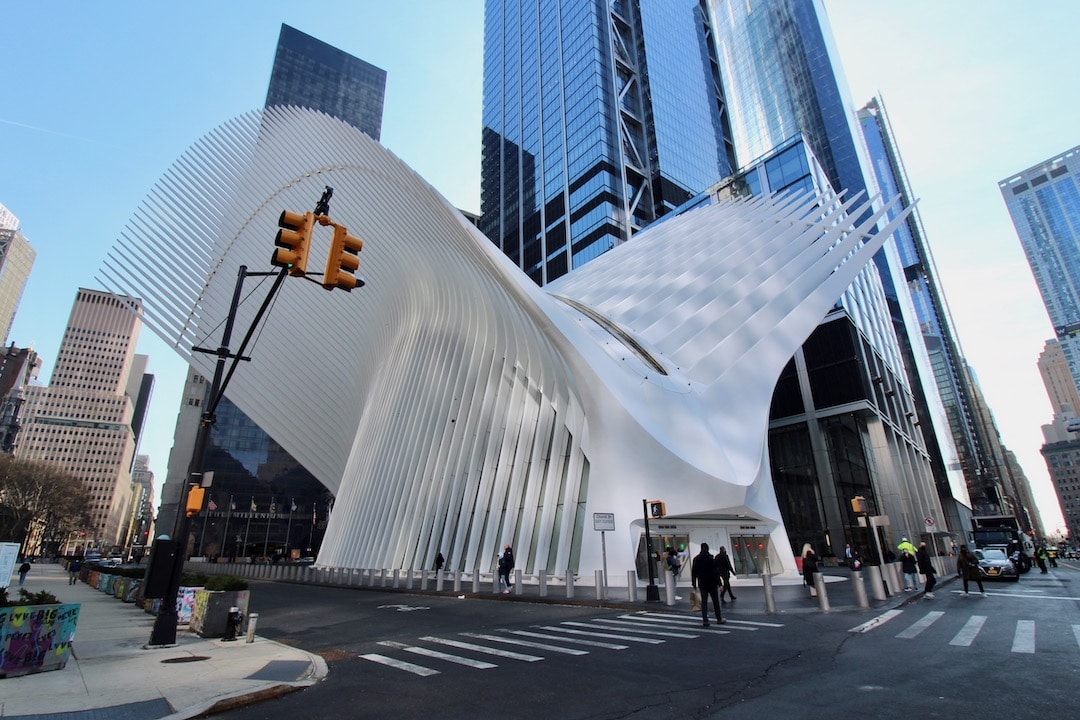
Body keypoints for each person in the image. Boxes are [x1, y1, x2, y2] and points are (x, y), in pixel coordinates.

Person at [691, 542, 725, 626]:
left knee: (704, 602)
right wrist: (720, 584)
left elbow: (694, 572)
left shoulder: (696, 559)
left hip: (702, 582)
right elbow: (715, 572)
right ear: (707, 548)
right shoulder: (710, 558)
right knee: (715, 601)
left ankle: (705, 620)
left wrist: (694, 583)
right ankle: (719, 618)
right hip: (712, 582)